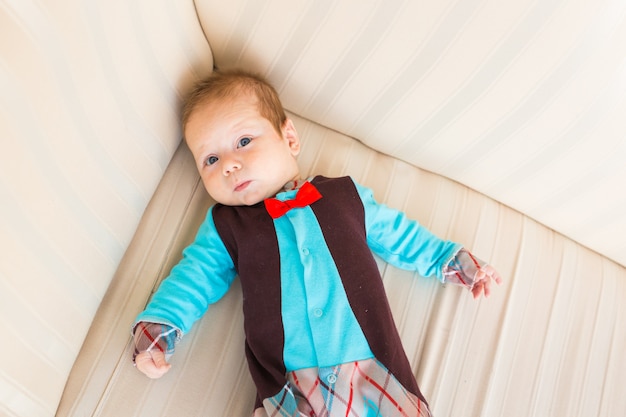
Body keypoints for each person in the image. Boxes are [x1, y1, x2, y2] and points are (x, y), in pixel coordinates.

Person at [132, 69, 502, 417]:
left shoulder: (344, 195)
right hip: (288, 387)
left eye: (243, 141)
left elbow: (398, 234)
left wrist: (451, 260)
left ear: (289, 138)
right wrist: (160, 325)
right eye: (211, 159)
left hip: (374, 369)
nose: (229, 164)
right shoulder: (227, 224)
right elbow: (195, 274)